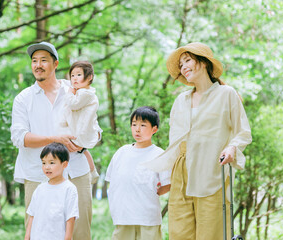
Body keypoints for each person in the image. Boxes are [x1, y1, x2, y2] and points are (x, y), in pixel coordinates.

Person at [143, 42, 252, 239]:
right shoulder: (181, 100)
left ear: (203, 63)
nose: (183, 67)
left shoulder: (226, 94)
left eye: (188, 61)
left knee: (211, 232)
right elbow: (174, 143)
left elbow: (243, 132)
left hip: (211, 169)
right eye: (181, 64)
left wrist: (232, 147)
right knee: (179, 232)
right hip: (181, 171)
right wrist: (168, 178)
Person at [11, 42, 98, 240]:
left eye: (43, 60)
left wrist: (84, 144)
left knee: (80, 232)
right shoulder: (23, 99)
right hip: (38, 173)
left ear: (56, 64)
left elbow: (95, 129)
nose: (38, 65)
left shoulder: (75, 90)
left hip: (76, 170)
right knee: (37, 232)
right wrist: (54, 139)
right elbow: (19, 137)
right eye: (34, 61)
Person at [105, 106, 171, 240]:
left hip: (148, 217)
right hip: (123, 216)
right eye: (134, 125)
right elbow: (112, 179)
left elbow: (168, 183)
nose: (137, 129)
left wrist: (155, 191)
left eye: (143, 125)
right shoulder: (122, 152)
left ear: (154, 129)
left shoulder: (159, 154)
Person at [24, 142, 79, 240]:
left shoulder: (69, 189)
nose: (47, 167)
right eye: (44, 163)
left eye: (52, 162)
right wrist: (27, 236)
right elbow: (32, 215)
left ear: (64, 164)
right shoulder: (40, 188)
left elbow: (71, 218)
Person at [61, 61, 101, 184]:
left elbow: (73, 105)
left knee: (80, 150)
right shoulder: (83, 92)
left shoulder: (86, 93)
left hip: (82, 131)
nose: (74, 78)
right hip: (81, 129)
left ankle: (92, 171)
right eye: (72, 75)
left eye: (78, 75)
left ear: (89, 77)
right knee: (82, 150)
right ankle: (93, 171)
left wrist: (69, 94)